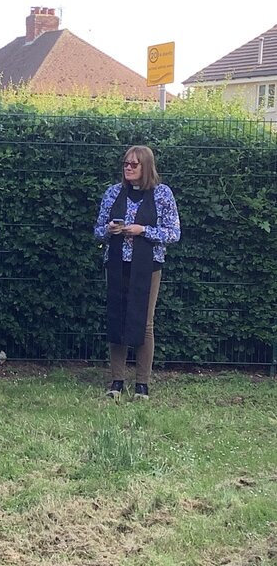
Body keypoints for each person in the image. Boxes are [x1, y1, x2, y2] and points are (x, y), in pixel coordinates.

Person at [94, 145, 180, 400]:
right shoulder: (113, 193)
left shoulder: (162, 194)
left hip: (148, 266)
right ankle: (117, 381)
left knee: (145, 322)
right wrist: (110, 229)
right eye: (126, 164)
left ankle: (142, 383)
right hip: (117, 263)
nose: (128, 168)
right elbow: (97, 231)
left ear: (146, 166)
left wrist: (143, 230)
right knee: (117, 317)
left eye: (134, 164)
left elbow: (173, 233)